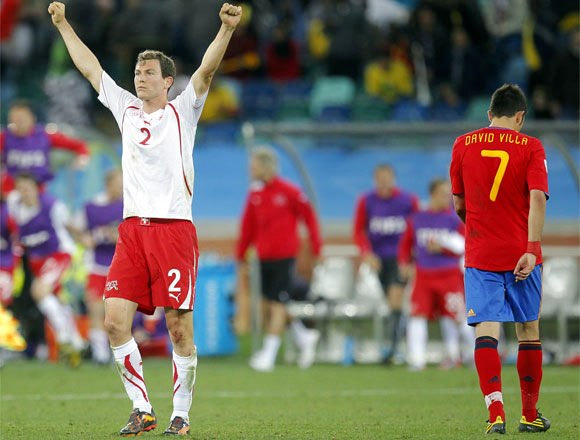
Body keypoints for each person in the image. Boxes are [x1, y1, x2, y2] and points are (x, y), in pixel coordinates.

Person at [48, 1, 242, 436]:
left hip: (173, 230)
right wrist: (62, 24)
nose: (140, 77)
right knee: (114, 321)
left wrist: (226, 30)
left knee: (178, 329)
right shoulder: (126, 109)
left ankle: (181, 414)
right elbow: (90, 68)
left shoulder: (183, 111)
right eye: (137, 72)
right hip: (132, 232)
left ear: (167, 81)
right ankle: (142, 409)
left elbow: (207, 71)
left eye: (149, 72)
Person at [449, 83, 550, 434]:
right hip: (522, 253)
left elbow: (459, 203)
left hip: (481, 254)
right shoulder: (532, 146)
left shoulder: (463, 144)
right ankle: (529, 414)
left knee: (486, 330)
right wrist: (531, 248)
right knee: (528, 330)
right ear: (520, 116)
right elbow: (537, 198)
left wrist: (479, 229)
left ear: (489, 114)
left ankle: (495, 414)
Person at [236, 146, 322, 372]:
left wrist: (316, 248)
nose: (250, 170)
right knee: (268, 305)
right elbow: (248, 226)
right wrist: (241, 254)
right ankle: (304, 336)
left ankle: (269, 355)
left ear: (266, 166)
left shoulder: (290, 191)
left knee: (277, 304)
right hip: (263, 258)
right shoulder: (255, 194)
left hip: (285, 257)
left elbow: (310, 218)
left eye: (254, 166)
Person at [7, 173, 84, 366]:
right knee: (55, 300)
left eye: (28, 188)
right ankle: (78, 344)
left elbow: (69, 225)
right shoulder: (14, 205)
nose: (24, 192)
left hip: (59, 254)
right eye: (21, 188)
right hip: (37, 261)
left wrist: (84, 238)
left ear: (36, 188)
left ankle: (63, 338)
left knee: (39, 291)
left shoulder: (52, 205)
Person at [398, 178, 473, 371]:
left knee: (458, 316)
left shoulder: (455, 219)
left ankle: (474, 356)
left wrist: (443, 247)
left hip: (449, 275)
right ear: (432, 194)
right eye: (442, 194)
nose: (447, 198)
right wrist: (404, 263)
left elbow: (465, 245)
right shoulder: (417, 219)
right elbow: (406, 244)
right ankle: (417, 360)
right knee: (417, 315)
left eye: (449, 194)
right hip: (423, 275)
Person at [353, 164, 419, 363]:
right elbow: (358, 231)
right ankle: (400, 344)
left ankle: (393, 349)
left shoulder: (408, 200)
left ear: (393, 178)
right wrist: (367, 253)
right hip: (379, 261)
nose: (383, 182)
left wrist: (412, 258)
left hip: (400, 259)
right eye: (379, 178)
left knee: (395, 297)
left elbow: (418, 228)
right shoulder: (367, 201)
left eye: (386, 177)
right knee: (391, 303)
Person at [76, 169, 123, 364]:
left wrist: (119, 238)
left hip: (120, 267)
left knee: (118, 314)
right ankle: (100, 355)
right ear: (108, 184)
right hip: (96, 266)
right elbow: (75, 228)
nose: (122, 188)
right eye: (119, 184)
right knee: (95, 310)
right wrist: (83, 239)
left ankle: (120, 353)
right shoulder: (91, 207)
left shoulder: (128, 206)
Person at [0, 100, 90, 192]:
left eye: (22, 118)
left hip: (40, 190)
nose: (19, 122)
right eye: (14, 118)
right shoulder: (4, 137)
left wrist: (82, 158)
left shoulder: (45, 135)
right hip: (12, 191)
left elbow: (79, 145)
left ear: (32, 118)